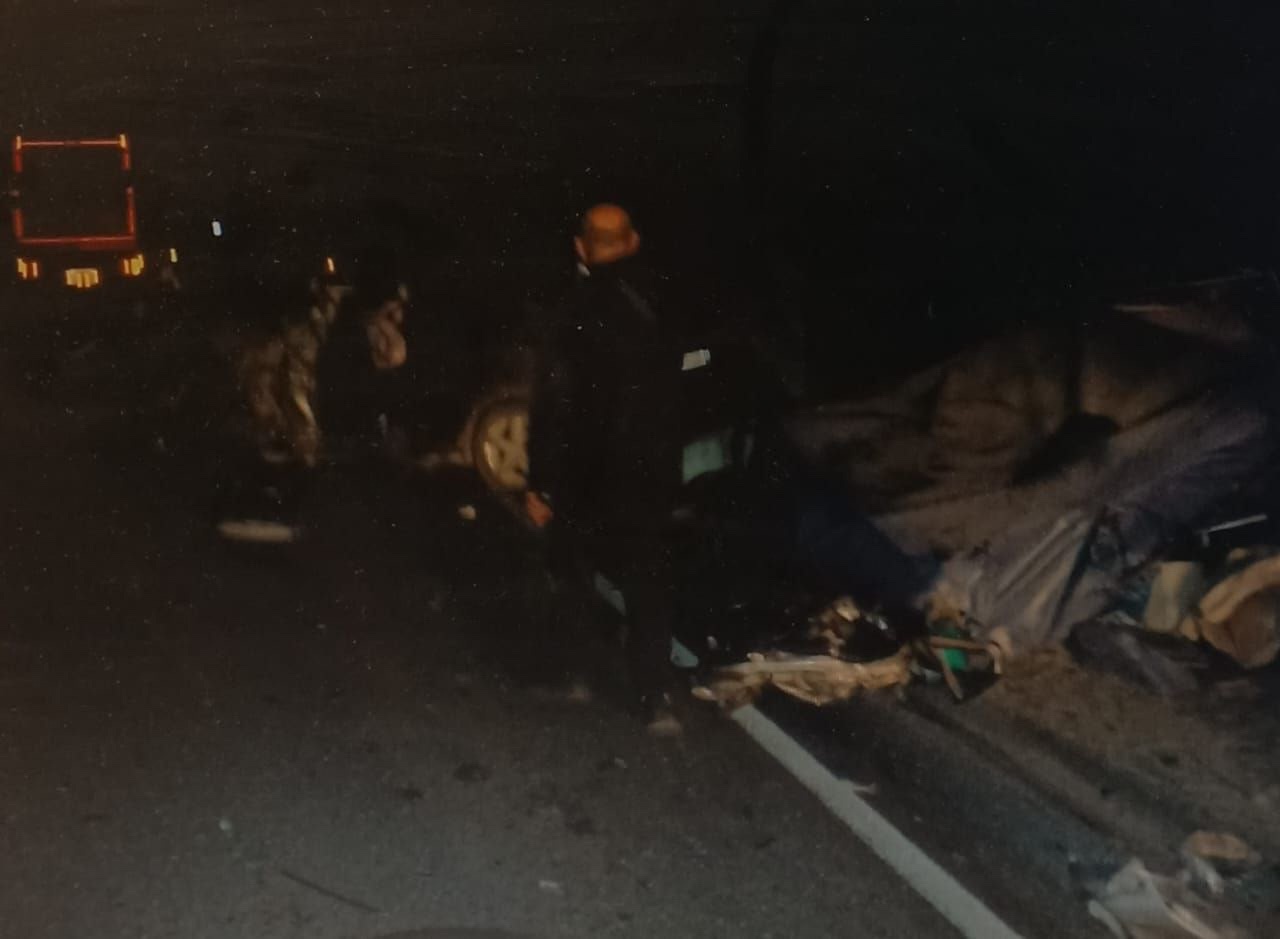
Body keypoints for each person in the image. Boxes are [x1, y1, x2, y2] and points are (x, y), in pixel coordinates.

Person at [525, 204, 684, 735]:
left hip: (585, 470)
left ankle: (574, 673)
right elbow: (687, 370)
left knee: (571, 568)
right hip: (647, 470)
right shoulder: (661, 302)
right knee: (648, 583)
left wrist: (541, 482)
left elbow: (554, 400)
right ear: (633, 241)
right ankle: (654, 698)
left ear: (581, 247)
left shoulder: (573, 308)